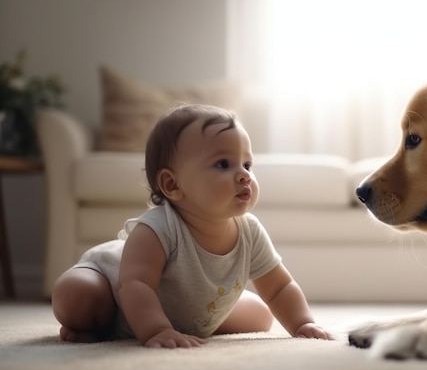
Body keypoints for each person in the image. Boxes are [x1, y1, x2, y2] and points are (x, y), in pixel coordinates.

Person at [51, 104, 330, 348]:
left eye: (247, 164)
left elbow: (279, 288)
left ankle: (189, 323)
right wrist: (157, 331)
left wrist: (302, 324)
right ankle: (91, 324)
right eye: (223, 164)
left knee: (261, 314)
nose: (244, 175)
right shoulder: (156, 229)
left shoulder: (249, 230)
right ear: (172, 185)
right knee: (76, 295)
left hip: (188, 308)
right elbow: (135, 285)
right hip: (112, 290)